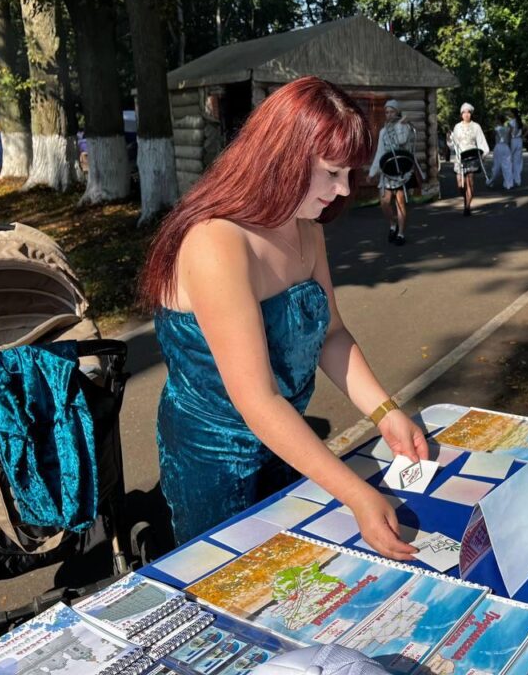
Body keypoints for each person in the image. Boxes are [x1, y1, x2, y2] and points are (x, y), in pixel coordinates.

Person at [139, 77, 429, 557]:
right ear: (284, 158)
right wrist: (355, 492)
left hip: (286, 442)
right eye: (332, 172)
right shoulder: (216, 242)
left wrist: (385, 412)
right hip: (216, 466)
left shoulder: (305, 228)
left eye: (348, 174)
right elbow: (258, 400)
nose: (341, 191)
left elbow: (332, 335)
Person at [368, 99, 415, 246]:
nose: (389, 114)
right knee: (385, 202)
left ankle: (400, 233)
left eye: (392, 111)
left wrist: (401, 124)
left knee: (400, 201)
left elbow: (402, 141)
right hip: (387, 171)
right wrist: (372, 172)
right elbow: (380, 153)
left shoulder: (404, 127)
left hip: (400, 170)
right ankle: (392, 223)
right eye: (387, 112)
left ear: (397, 112)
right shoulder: (383, 131)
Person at [448, 103, 489, 216]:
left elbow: (481, 141)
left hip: (472, 156)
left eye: (468, 112)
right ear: (461, 114)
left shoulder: (476, 126)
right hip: (460, 158)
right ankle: (465, 198)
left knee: (470, 182)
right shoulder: (457, 127)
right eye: (464, 112)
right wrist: (449, 140)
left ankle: (467, 207)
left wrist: (483, 154)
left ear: (471, 114)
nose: (466, 114)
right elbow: (453, 144)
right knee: (460, 185)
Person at [487, 113, 512, 189]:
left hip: (498, 146)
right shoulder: (508, 129)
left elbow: (492, 137)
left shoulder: (496, 129)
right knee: (507, 165)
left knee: (496, 165)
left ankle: (491, 181)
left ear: (498, 120)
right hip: (506, 147)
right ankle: (508, 183)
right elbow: (509, 138)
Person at [507, 108, 525, 187]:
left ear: (513, 114)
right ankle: (518, 179)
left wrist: (507, 142)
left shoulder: (511, 122)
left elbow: (509, 133)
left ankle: (512, 179)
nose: (508, 113)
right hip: (519, 141)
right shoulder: (520, 121)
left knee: (511, 160)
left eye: (510, 112)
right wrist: (523, 136)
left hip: (513, 140)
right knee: (518, 160)